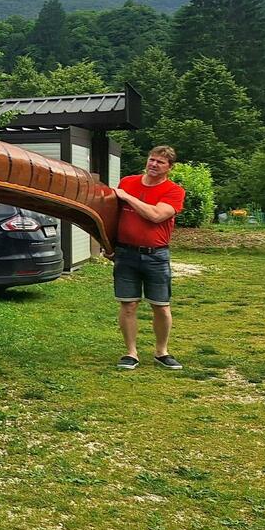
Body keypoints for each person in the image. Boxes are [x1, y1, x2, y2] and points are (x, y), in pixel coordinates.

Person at [112, 145, 186, 370]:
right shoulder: (127, 182)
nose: (154, 164)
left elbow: (155, 215)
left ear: (169, 168)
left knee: (161, 306)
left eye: (160, 162)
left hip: (156, 255)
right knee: (128, 305)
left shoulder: (174, 191)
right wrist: (107, 244)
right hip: (125, 253)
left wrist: (127, 197)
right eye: (152, 159)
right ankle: (131, 353)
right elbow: (112, 215)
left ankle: (161, 352)